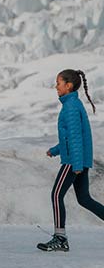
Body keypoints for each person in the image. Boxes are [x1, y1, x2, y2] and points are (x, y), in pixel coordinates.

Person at [37, 69, 104, 252]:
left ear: (69, 85)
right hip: (77, 158)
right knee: (84, 199)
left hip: (73, 161)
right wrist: (56, 150)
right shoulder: (72, 104)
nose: (56, 87)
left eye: (58, 83)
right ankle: (60, 237)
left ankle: (60, 238)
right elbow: (70, 137)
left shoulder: (71, 107)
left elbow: (75, 137)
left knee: (56, 195)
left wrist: (75, 164)